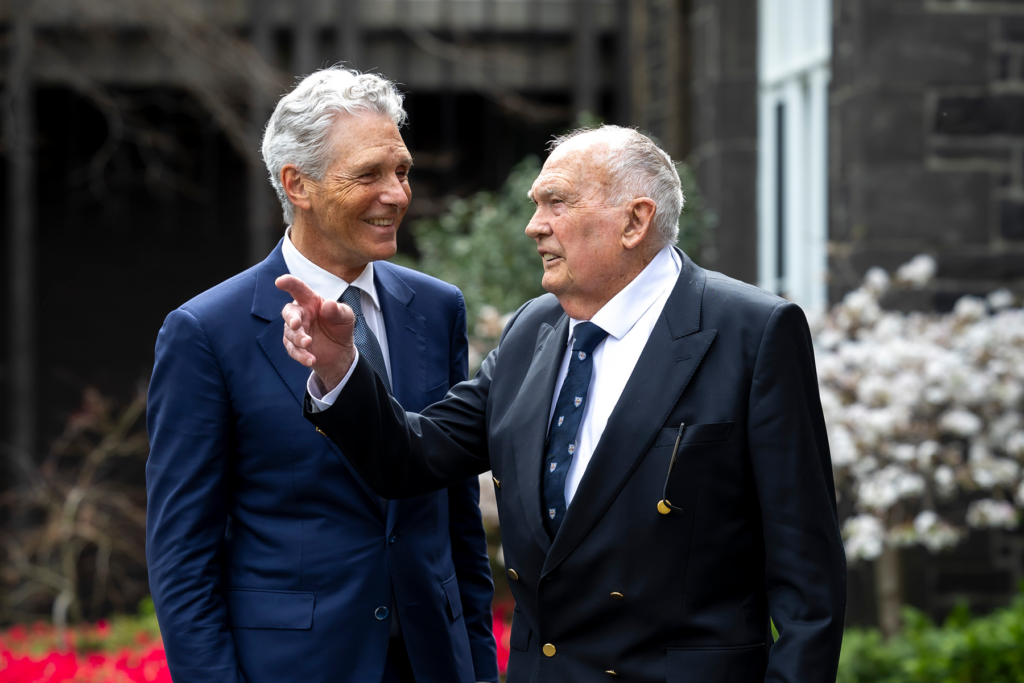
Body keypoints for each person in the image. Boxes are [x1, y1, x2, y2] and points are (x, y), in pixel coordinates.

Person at [278, 124, 848, 682]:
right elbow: (412, 457)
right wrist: (339, 369)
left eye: (556, 203)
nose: (533, 227)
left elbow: (809, 589)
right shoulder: (534, 327)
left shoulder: (751, 330)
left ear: (635, 220)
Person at [146, 67, 497, 683]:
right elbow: (182, 557)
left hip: (432, 662)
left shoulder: (437, 307)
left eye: (403, 171)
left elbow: (457, 516)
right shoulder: (206, 331)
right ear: (297, 184)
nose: (396, 194)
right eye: (369, 174)